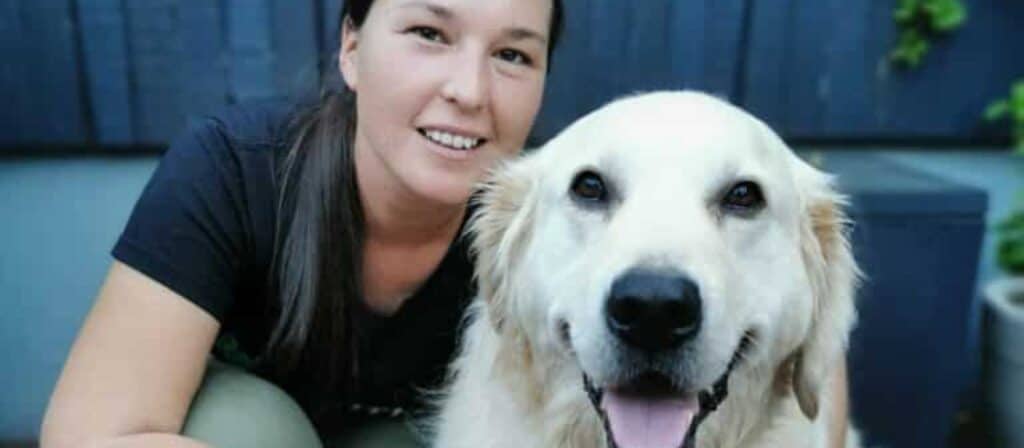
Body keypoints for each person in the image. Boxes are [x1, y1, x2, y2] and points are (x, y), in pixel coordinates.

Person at [39, 1, 850, 447]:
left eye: (513, 54)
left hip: (403, 437)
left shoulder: (546, 212)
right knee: (253, 431)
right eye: (429, 34)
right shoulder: (234, 169)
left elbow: (794, 314)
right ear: (352, 48)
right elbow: (89, 434)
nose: (468, 90)